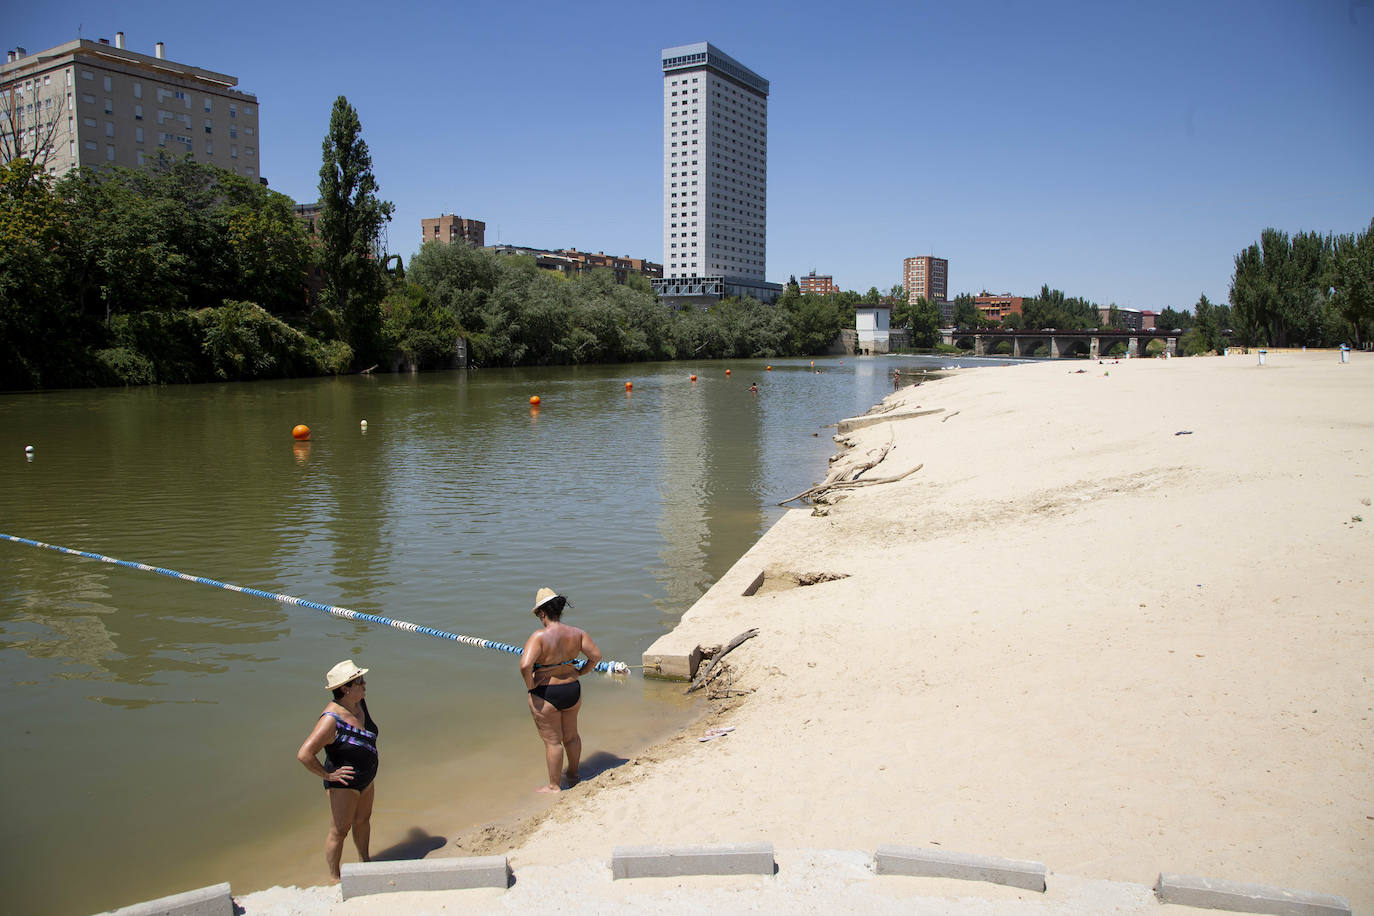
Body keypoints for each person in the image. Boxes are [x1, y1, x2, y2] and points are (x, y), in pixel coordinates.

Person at [296, 660, 379, 881]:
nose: (364, 684)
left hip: (367, 779)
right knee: (340, 831)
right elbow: (305, 754)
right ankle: (334, 878)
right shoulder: (330, 720)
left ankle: (366, 864)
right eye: (359, 681)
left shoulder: (359, 703)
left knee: (363, 821)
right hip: (344, 785)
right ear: (345, 688)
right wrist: (327, 775)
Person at [520, 587, 602, 792]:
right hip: (572, 689)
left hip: (547, 693)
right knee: (572, 736)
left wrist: (531, 686)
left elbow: (525, 665)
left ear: (542, 612)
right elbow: (596, 657)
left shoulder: (539, 636)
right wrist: (582, 672)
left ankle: (554, 786)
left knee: (553, 742)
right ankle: (573, 775)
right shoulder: (577, 633)